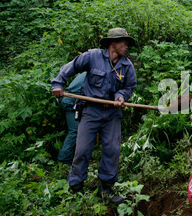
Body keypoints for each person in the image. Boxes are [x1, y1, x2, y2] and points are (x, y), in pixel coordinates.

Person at [51, 28, 138, 205]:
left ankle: (105, 188)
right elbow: (71, 67)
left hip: (112, 113)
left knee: (112, 150)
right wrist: (59, 83)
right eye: (123, 42)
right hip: (91, 111)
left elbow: (129, 87)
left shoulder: (127, 66)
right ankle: (76, 188)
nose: (126, 46)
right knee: (82, 149)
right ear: (112, 43)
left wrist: (121, 96)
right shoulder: (92, 57)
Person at [56, 71, 86, 166]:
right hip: (71, 101)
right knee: (75, 131)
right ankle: (63, 161)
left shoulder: (88, 72)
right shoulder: (92, 74)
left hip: (73, 100)